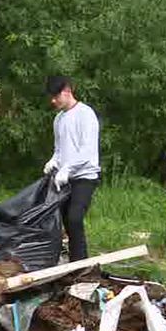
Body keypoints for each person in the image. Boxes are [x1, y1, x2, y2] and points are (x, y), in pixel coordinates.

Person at [43, 75, 101, 262]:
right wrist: (53, 161)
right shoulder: (59, 119)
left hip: (85, 176)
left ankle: (81, 264)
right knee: (64, 220)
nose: (53, 100)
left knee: (75, 218)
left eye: (56, 96)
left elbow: (87, 149)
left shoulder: (85, 114)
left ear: (67, 91)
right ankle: (71, 262)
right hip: (64, 178)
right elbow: (59, 149)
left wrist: (68, 169)